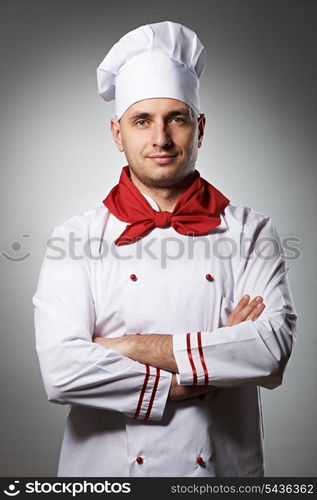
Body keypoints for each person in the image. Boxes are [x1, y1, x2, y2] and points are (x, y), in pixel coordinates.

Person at [32, 20, 297, 477]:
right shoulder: (74, 238)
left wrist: (132, 345)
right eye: (142, 121)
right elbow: (62, 370)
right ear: (118, 134)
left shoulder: (252, 231)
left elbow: (269, 350)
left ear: (200, 127)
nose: (161, 139)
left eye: (177, 118)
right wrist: (209, 362)